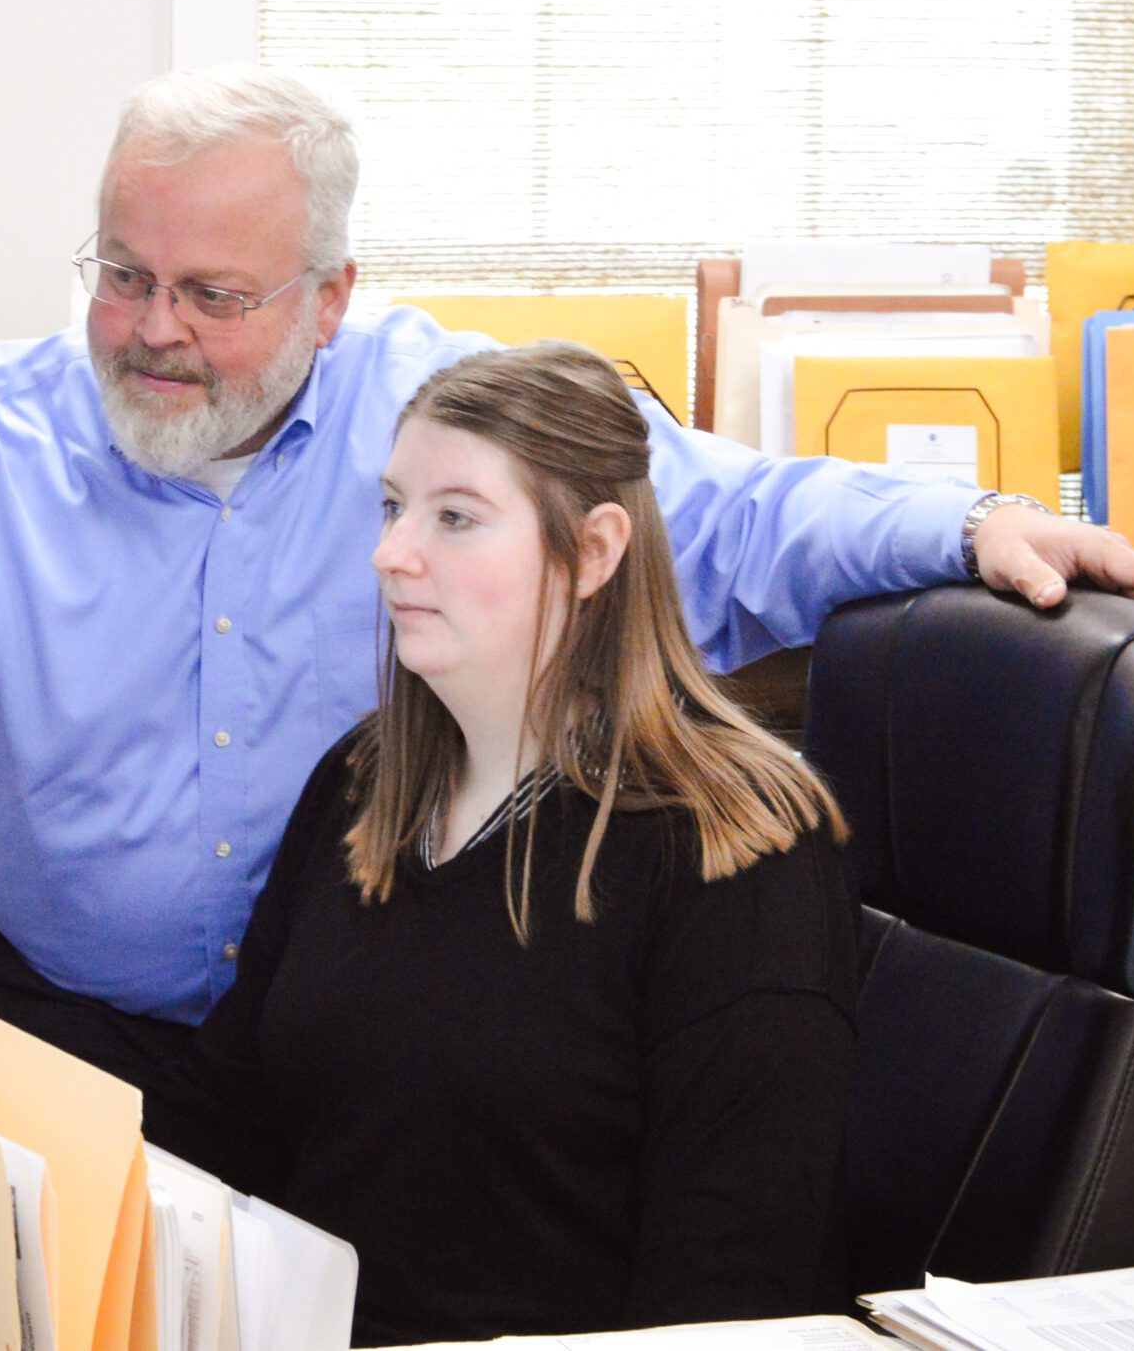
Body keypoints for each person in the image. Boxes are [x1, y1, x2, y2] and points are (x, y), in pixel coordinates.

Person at [0, 66, 1134, 1097]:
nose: (152, 331)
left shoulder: (435, 410)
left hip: (374, 1042)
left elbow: (711, 515)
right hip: (79, 1035)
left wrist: (960, 529)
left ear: (332, 294)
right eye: (124, 273)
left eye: (215, 293)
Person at [152, 342, 857, 1345]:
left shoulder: (733, 850)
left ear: (594, 551)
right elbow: (225, 1117)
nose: (391, 552)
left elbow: (731, 1294)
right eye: (393, 506)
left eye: (455, 517)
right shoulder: (364, 784)